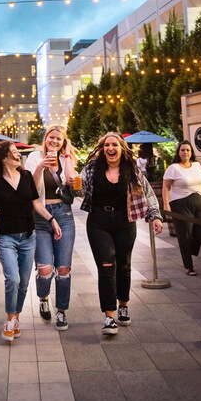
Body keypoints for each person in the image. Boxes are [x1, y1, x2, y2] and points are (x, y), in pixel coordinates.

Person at [0, 141, 61, 342]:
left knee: (23, 283)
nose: (17, 155)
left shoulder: (26, 176)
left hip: (28, 237)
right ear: (4, 157)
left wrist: (52, 219)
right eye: (13, 153)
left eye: (17, 152)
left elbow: (36, 204)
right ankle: (10, 319)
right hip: (6, 237)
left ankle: (16, 318)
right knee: (12, 279)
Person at [81, 132, 163, 335]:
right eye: (106, 145)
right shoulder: (92, 169)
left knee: (124, 264)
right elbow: (77, 187)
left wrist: (155, 216)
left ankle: (123, 304)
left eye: (114, 145)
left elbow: (148, 192)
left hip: (125, 221)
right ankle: (109, 316)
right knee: (106, 264)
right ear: (102, 149)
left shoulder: (131, 169)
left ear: (121, 148)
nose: (110, 148)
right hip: (98, 221)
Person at [25, 125, 77, 330]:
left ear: (63, 141)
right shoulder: (33, 157)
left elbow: (74, 186)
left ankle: (62, 311)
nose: (54, 141)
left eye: (59, 139)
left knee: (63, 268)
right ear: (45, 139)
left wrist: (70, 164)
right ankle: (43, 297)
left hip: (64, 214)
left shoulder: (66, 158)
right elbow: (30, 187)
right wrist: (41, 167)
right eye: (51, 138)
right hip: (39, 216)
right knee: (45, 269)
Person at [162, 140, 201, 276]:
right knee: (185, 235)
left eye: (188, 150)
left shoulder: (197, 166)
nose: (185, 152)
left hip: (199, 201)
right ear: (178, 152)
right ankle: (189, 266)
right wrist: (166, 204)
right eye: (182, 150)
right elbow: (166, 187)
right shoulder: (173, 168)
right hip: (180, 204)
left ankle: (192, 249)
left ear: (191, 152)